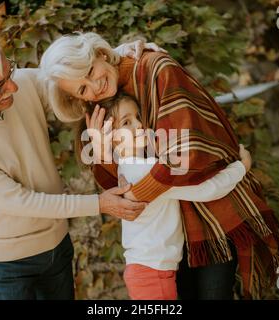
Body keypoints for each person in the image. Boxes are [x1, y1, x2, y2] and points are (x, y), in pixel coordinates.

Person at [39, 32, 279, 299]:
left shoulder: (157, 69)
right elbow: (117, 184)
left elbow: (183, 157)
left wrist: (138, 193)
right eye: (82, 89)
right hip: (167, 234)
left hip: (209, 215)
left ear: (100, 54)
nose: (94, 86)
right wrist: (102, 154)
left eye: (90, 71)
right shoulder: (101, 108)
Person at [0, 30, 163, 300]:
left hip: (56, 246)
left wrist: (122, 53)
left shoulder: (18, 85)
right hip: (0, 263)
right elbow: (24, 202)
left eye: (10, 72)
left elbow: (72, 75)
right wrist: (100, 203)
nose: (14, 87)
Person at [76, 93, 252, 300]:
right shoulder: (148, 171)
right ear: (109, 138)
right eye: (127, 122)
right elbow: (207, 189)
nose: (140, 125)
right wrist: (242, 167)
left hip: (146, 271)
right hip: (153, 275)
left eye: (138, 116)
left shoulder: (126, 168)